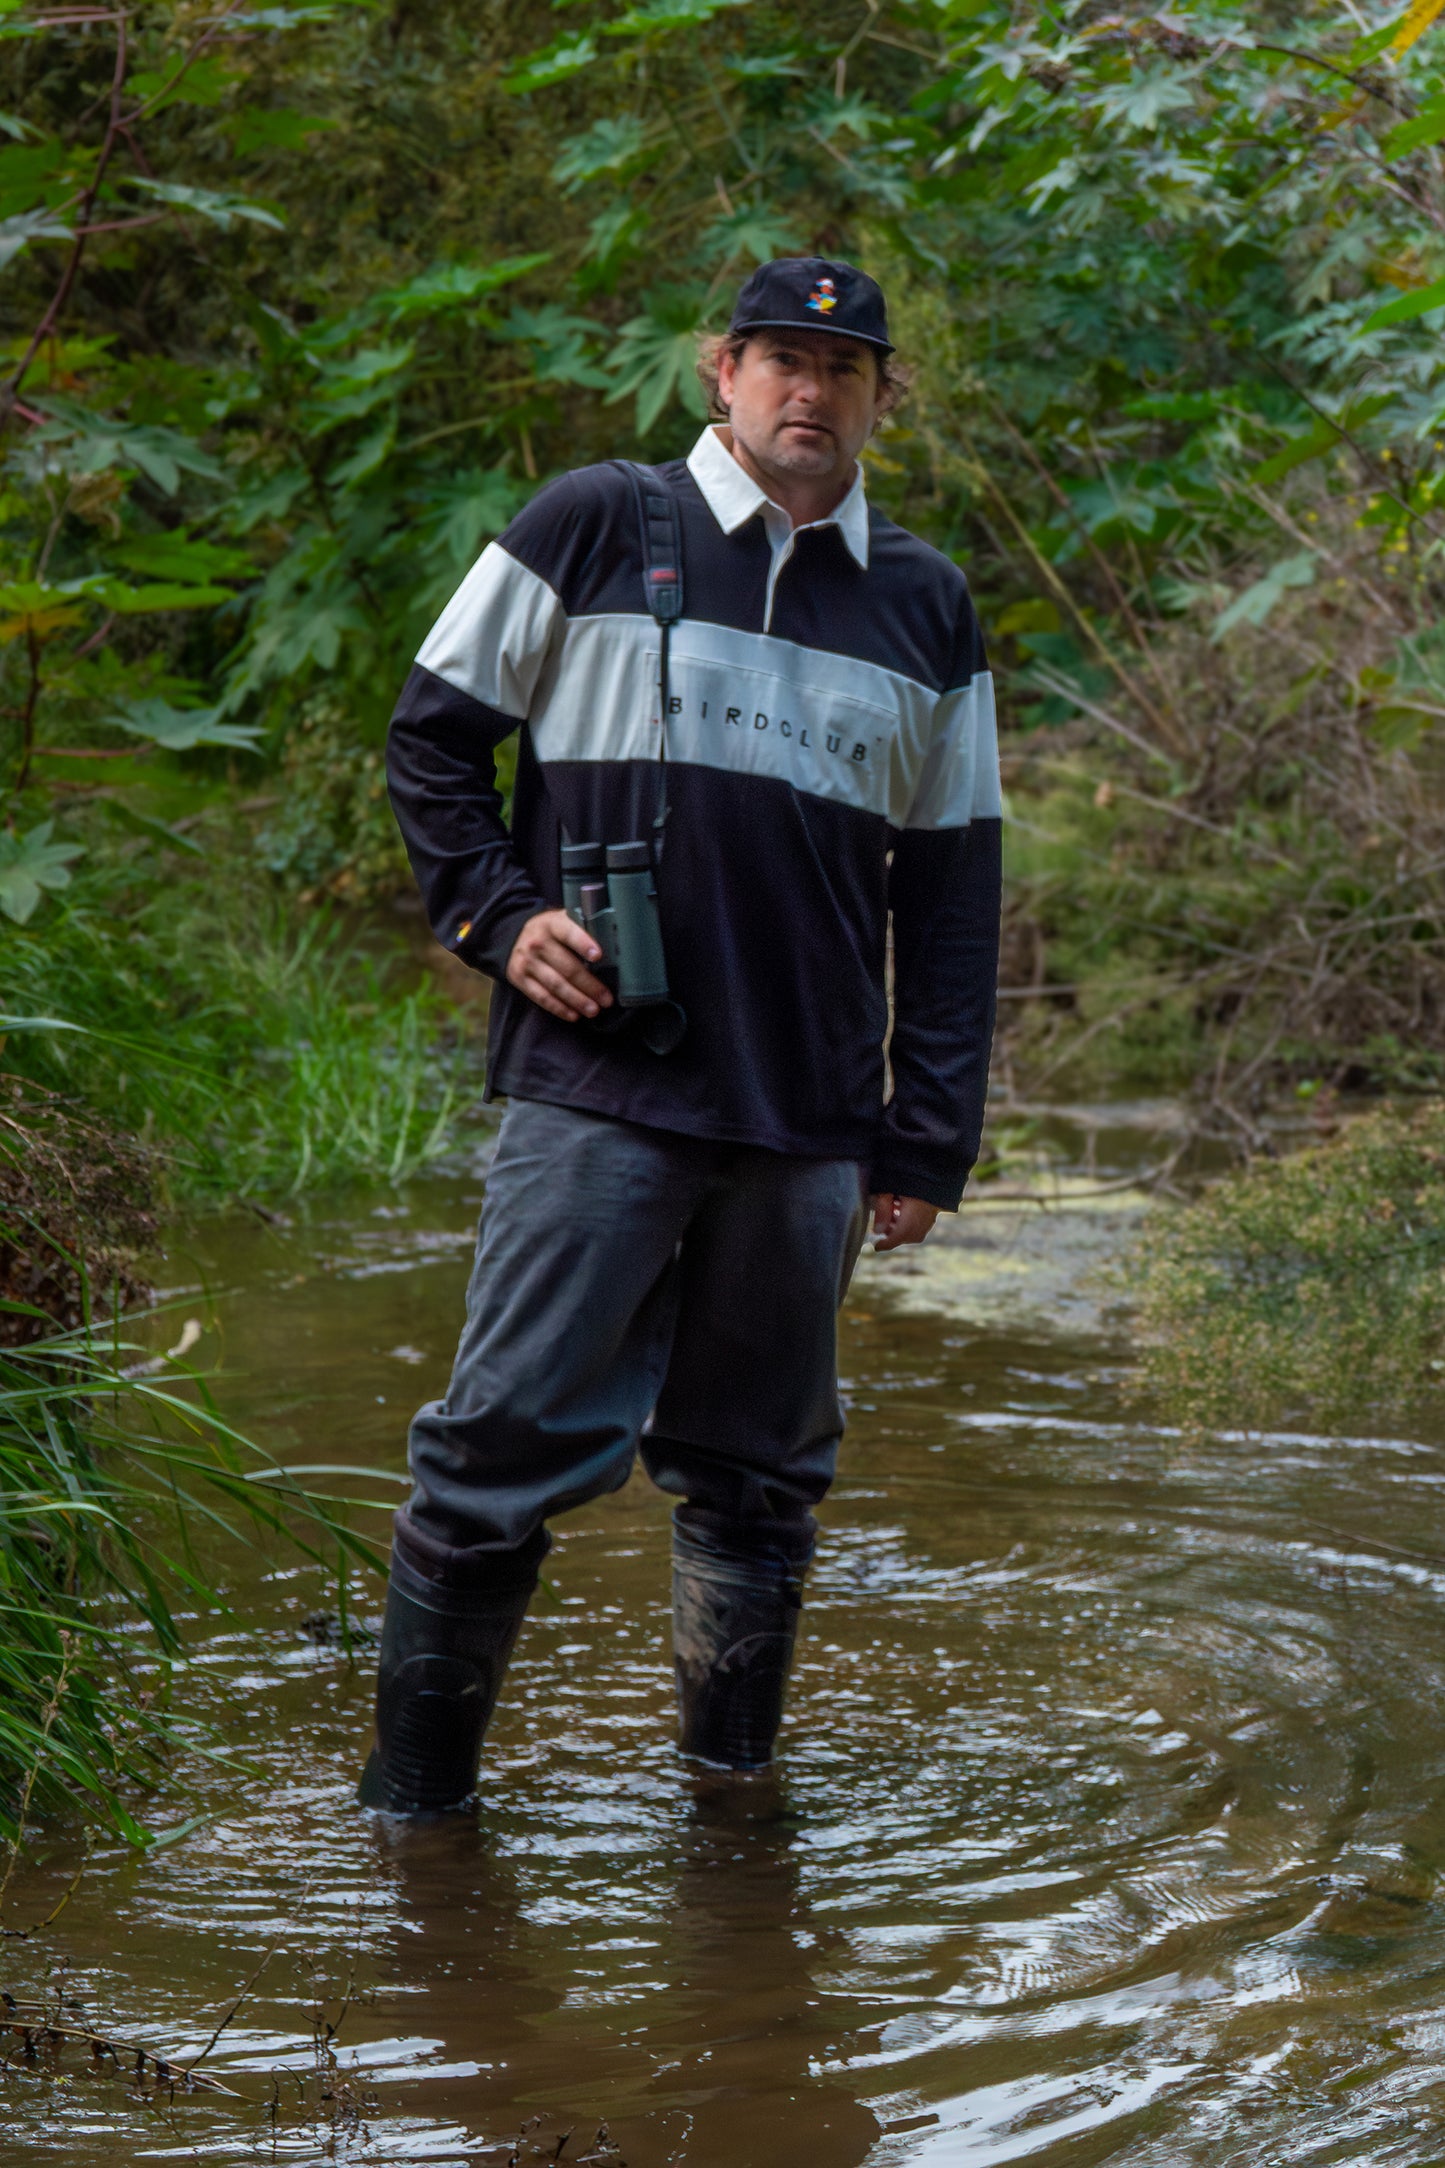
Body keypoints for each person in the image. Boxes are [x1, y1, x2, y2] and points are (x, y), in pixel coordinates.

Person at [361, 257, 1001, 1813]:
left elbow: (957, 891)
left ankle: (730, 1812)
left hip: (804, 1121)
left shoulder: (923, 604)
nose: (809, 391)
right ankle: (412, 1820)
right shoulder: (592, 520)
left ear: (880, 400)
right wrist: (501, 922)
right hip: (597, 1092)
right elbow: (431, 747)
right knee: (496, 1453)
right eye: (780, 359)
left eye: (842, 369)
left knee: (762, 1484)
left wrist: (925, 1134)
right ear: (719, 372)